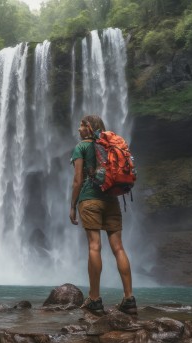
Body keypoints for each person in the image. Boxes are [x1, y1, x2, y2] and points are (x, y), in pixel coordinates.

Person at [69, 114, 137, 315]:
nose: (79, 128)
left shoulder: (81, 147)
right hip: (111, 200)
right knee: (118, 248)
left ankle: (95, 298)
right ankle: (129, 298)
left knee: (94, 246)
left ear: (89, 127)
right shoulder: (109, 146)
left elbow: (77, 180)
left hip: (90, 200)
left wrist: (73, 205)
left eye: (82, 125)